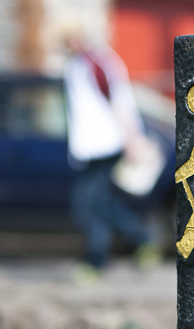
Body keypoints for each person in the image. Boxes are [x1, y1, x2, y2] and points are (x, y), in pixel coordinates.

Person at [63, 29, 158, 284]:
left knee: (88, 203)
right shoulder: (77, 64)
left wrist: (132, 138)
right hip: (89, 147)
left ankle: (98, 259)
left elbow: (120, 102)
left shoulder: (98, 63)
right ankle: (136, 241)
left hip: (104, 144)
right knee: (98, 202)